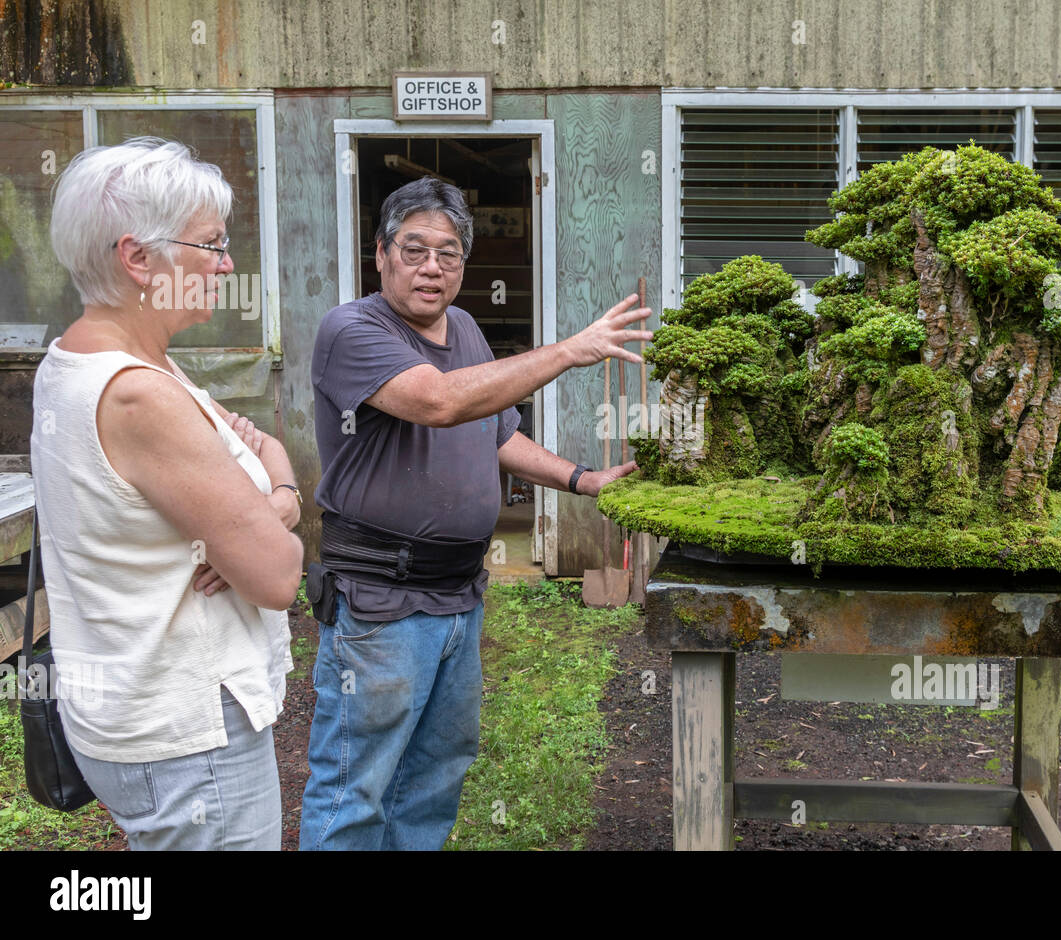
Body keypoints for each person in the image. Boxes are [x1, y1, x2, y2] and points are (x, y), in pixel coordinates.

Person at [301, 177, 651, 850]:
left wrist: (584, 479)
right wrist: (569, 350)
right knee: (356, 785)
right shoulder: (352, 331)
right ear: (381, 254)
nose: (433, 266)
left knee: (436, 775)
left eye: (450, 252)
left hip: (460, 595)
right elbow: (439, 402)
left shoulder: (462, 326)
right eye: (415, 249)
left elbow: (495, 432)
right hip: (382, 602)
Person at [30, 137, 304, 850]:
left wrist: (271, 503)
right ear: (138, 257)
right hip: (189, 738)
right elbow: (276, 574)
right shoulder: (139, 395)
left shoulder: (90, 359)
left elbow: (264, 458)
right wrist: (273, 510)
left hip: (132, 718)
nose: (226, 263)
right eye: (211, 244)